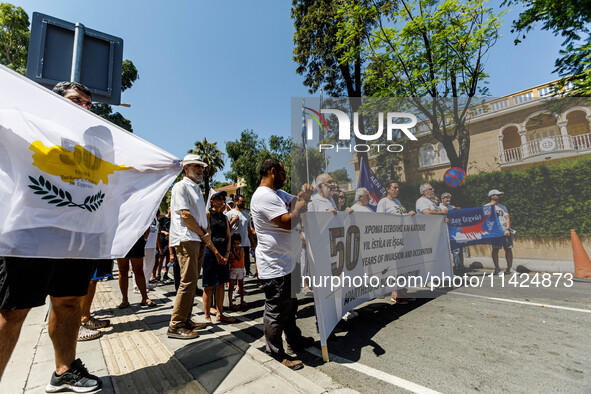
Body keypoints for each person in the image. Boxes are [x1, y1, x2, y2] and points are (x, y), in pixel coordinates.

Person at [0, 81, 102, 391]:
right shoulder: (27, 128)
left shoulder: (93, 150)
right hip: (31, 234)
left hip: (76, 237)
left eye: (88, 104)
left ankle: (64, 370)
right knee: (13, 310)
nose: (84, 107)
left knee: (69, 302)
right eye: (76, 100)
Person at [251, 158, 314, 370]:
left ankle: (294, 340)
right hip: (275, 264)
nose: (285, 176)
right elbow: (287, 222)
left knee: (291, 306)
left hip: (288, 262)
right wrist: (298, 209)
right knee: (276, 310)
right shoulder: (263, 196)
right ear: (272, 171)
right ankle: (276, 352)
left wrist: (305, 195)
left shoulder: (277, 194)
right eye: (282, 172)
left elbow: (296, 199)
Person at [167, 154, 211, 339]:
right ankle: (176, 325)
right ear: (186, 168)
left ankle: (186, 319)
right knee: (187, 282)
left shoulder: (196, 189)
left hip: (197, 238)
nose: (200, 169)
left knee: (192, 282)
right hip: (187, 238)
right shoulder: (181, 186)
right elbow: (185, 215)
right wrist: (203, 234)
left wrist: (204, 235)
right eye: (196, 166)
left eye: (201, 166)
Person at [377, 180, 416, 304]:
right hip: (390, 238)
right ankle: (395, 294)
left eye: (398, 188)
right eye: (394, 188)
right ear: (388, 189)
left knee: (403, 265)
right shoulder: (383, 202)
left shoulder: (397, 202)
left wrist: (409, 214)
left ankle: (403, 292)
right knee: (394, 267)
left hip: (402, 237)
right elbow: (379, 220)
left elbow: (402, 217)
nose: (397, 190)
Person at [202, 190, 235, 323]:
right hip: (210, 251)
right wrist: (216, 253)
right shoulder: (208, 215)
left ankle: (220, 314)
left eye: (223, 199)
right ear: (212, 201)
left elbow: (228, 236)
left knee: (221, 284)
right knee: (209, 285)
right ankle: (207, 316)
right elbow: (206, 236)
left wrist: (226, 253)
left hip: (223, 250)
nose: (223, 201)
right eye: (219, 199)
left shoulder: (225, 217)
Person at [116, 230, 157, 309]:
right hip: (120, 240)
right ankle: (125, 299)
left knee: (138, 270)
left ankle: (145, 297)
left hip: (136, 239)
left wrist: (144, 239)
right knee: (123, 271)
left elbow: (146, 223)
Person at [485, 189, 516, 275]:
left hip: (505, 231)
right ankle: (497, 269)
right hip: (495, 232)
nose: (500, 196)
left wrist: (507, 229)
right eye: (498, 195)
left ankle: (509, 268)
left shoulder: (503, 207)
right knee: (495, 249)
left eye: (500, 195)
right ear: (492, 196)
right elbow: (485, 220)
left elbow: (507, 218)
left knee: (508, 249)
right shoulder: (486, 207)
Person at [227, 195, 256, 278]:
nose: (244, 203)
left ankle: (247, 272)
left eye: (244, 202)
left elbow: (249, 231)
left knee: (245, 260)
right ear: (236, 202)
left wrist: (253, 243)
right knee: (234, 262)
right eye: (242, 201)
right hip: (234, 243)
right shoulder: (230, 214)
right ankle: (232, 279)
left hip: (245, 242)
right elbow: (226, 228)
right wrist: (233, 220)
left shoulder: (246, 215)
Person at [440, 192, 464, 274]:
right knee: (450, 250)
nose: (448, 199)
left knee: (457, 250)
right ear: (442, 199)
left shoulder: (451, 207)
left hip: (453, 230)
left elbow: (458, 210)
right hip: (443, 231)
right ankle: (453, 267)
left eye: (449, 198)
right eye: (447, 197)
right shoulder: (439, 207)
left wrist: (457, 209)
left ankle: (458, 267)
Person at [228, 233, 246, 311]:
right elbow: (231, 260)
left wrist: (234, 253)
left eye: (237, 243)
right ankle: (230, 303)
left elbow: (239, 258)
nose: (236, 245)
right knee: (231, 287)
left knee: (241, 286)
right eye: (234, 243)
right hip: (232, 269)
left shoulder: (241, 249)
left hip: (240, 269)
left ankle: (242, 300)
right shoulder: (230, 251)